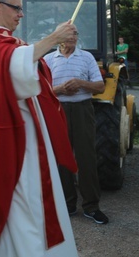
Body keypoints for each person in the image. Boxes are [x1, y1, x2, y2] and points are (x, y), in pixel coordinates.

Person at [0, 0, 81, 257]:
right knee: (26, 202)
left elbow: (21, 66)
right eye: (17, 8)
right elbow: (10, 67)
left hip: (27, 131)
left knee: (33, 200)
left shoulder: (2, 38)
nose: (21, 14)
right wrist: (53, 39)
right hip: (15, 135)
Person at [44, 31, 108, 224]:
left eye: (75, 35)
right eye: (68, 35)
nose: (72, 38)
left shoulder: (86, 57)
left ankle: (91, 206)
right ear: (59, 38)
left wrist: (81, 83)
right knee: (61, 156)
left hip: (82, 109)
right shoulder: (47, 60)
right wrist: (60, 89)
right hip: (58, 109)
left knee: (86, 156)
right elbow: (42, 90)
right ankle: (67, 204)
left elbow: (100, 87)